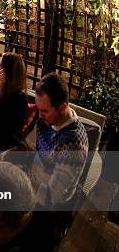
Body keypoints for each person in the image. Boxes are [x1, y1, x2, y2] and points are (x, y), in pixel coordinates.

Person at [29, 72, 88, 207]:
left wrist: (17, 183)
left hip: (43, 208)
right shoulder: (46, 120)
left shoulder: (74, 144)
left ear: (62, 108)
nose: (39, 115)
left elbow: (51, 197)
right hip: (29, 183)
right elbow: (27, 146)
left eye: (44, 111)